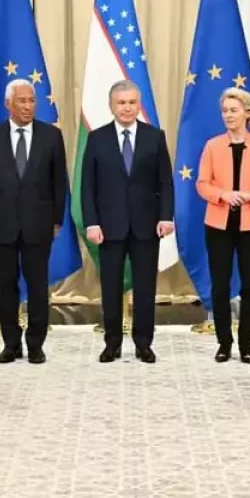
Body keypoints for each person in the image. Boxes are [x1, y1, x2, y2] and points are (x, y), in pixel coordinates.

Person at [0, 79, 69, 365]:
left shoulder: (51, 136)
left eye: (32, 100)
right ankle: (11, 343)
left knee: (38, 286)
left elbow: (59, 182)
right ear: (8, 104)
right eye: (22, 101)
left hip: (39, 224)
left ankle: (36, 344)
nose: (28, 106)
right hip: (2, 223)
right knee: (6, 286)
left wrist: (57, 220)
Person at [81, 79, 174, 363]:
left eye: (132, 102)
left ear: (139, 105)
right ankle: (112, 343)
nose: (127, 108)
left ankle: (143, 343)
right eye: (121, 103)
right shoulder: (97, 138)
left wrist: (165, 216)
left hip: (147, 226)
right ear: (111, 106)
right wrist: (92, 223)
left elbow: (165, 182)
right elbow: (88, 187)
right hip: (109, 227)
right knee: (110, 288)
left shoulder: (154, 137)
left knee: (145, 288)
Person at [195, 88, 250, 363]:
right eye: (225, 111)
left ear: (247, 113)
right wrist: (223, 195)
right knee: (220, 286)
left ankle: (246, 344)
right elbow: (202, 184)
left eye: (233, 110)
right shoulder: (212, 146)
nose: (228, 115)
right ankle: (224, 342)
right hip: (218, 225)